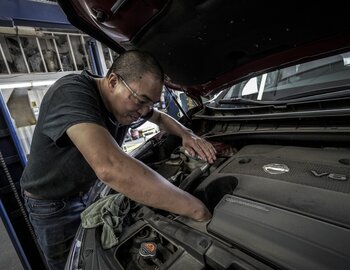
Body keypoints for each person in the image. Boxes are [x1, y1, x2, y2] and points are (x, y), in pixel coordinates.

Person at [20, 50, 216, 270]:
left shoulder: (126, 100)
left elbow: (159, 117)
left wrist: (185, 134)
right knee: (73, 265)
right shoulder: (70, 93)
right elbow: (109, 167)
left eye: (150, 103)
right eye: (141, 101)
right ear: (113, 81)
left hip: (89, 191)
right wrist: (195, 209)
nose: (143, 111)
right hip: (53, 205)